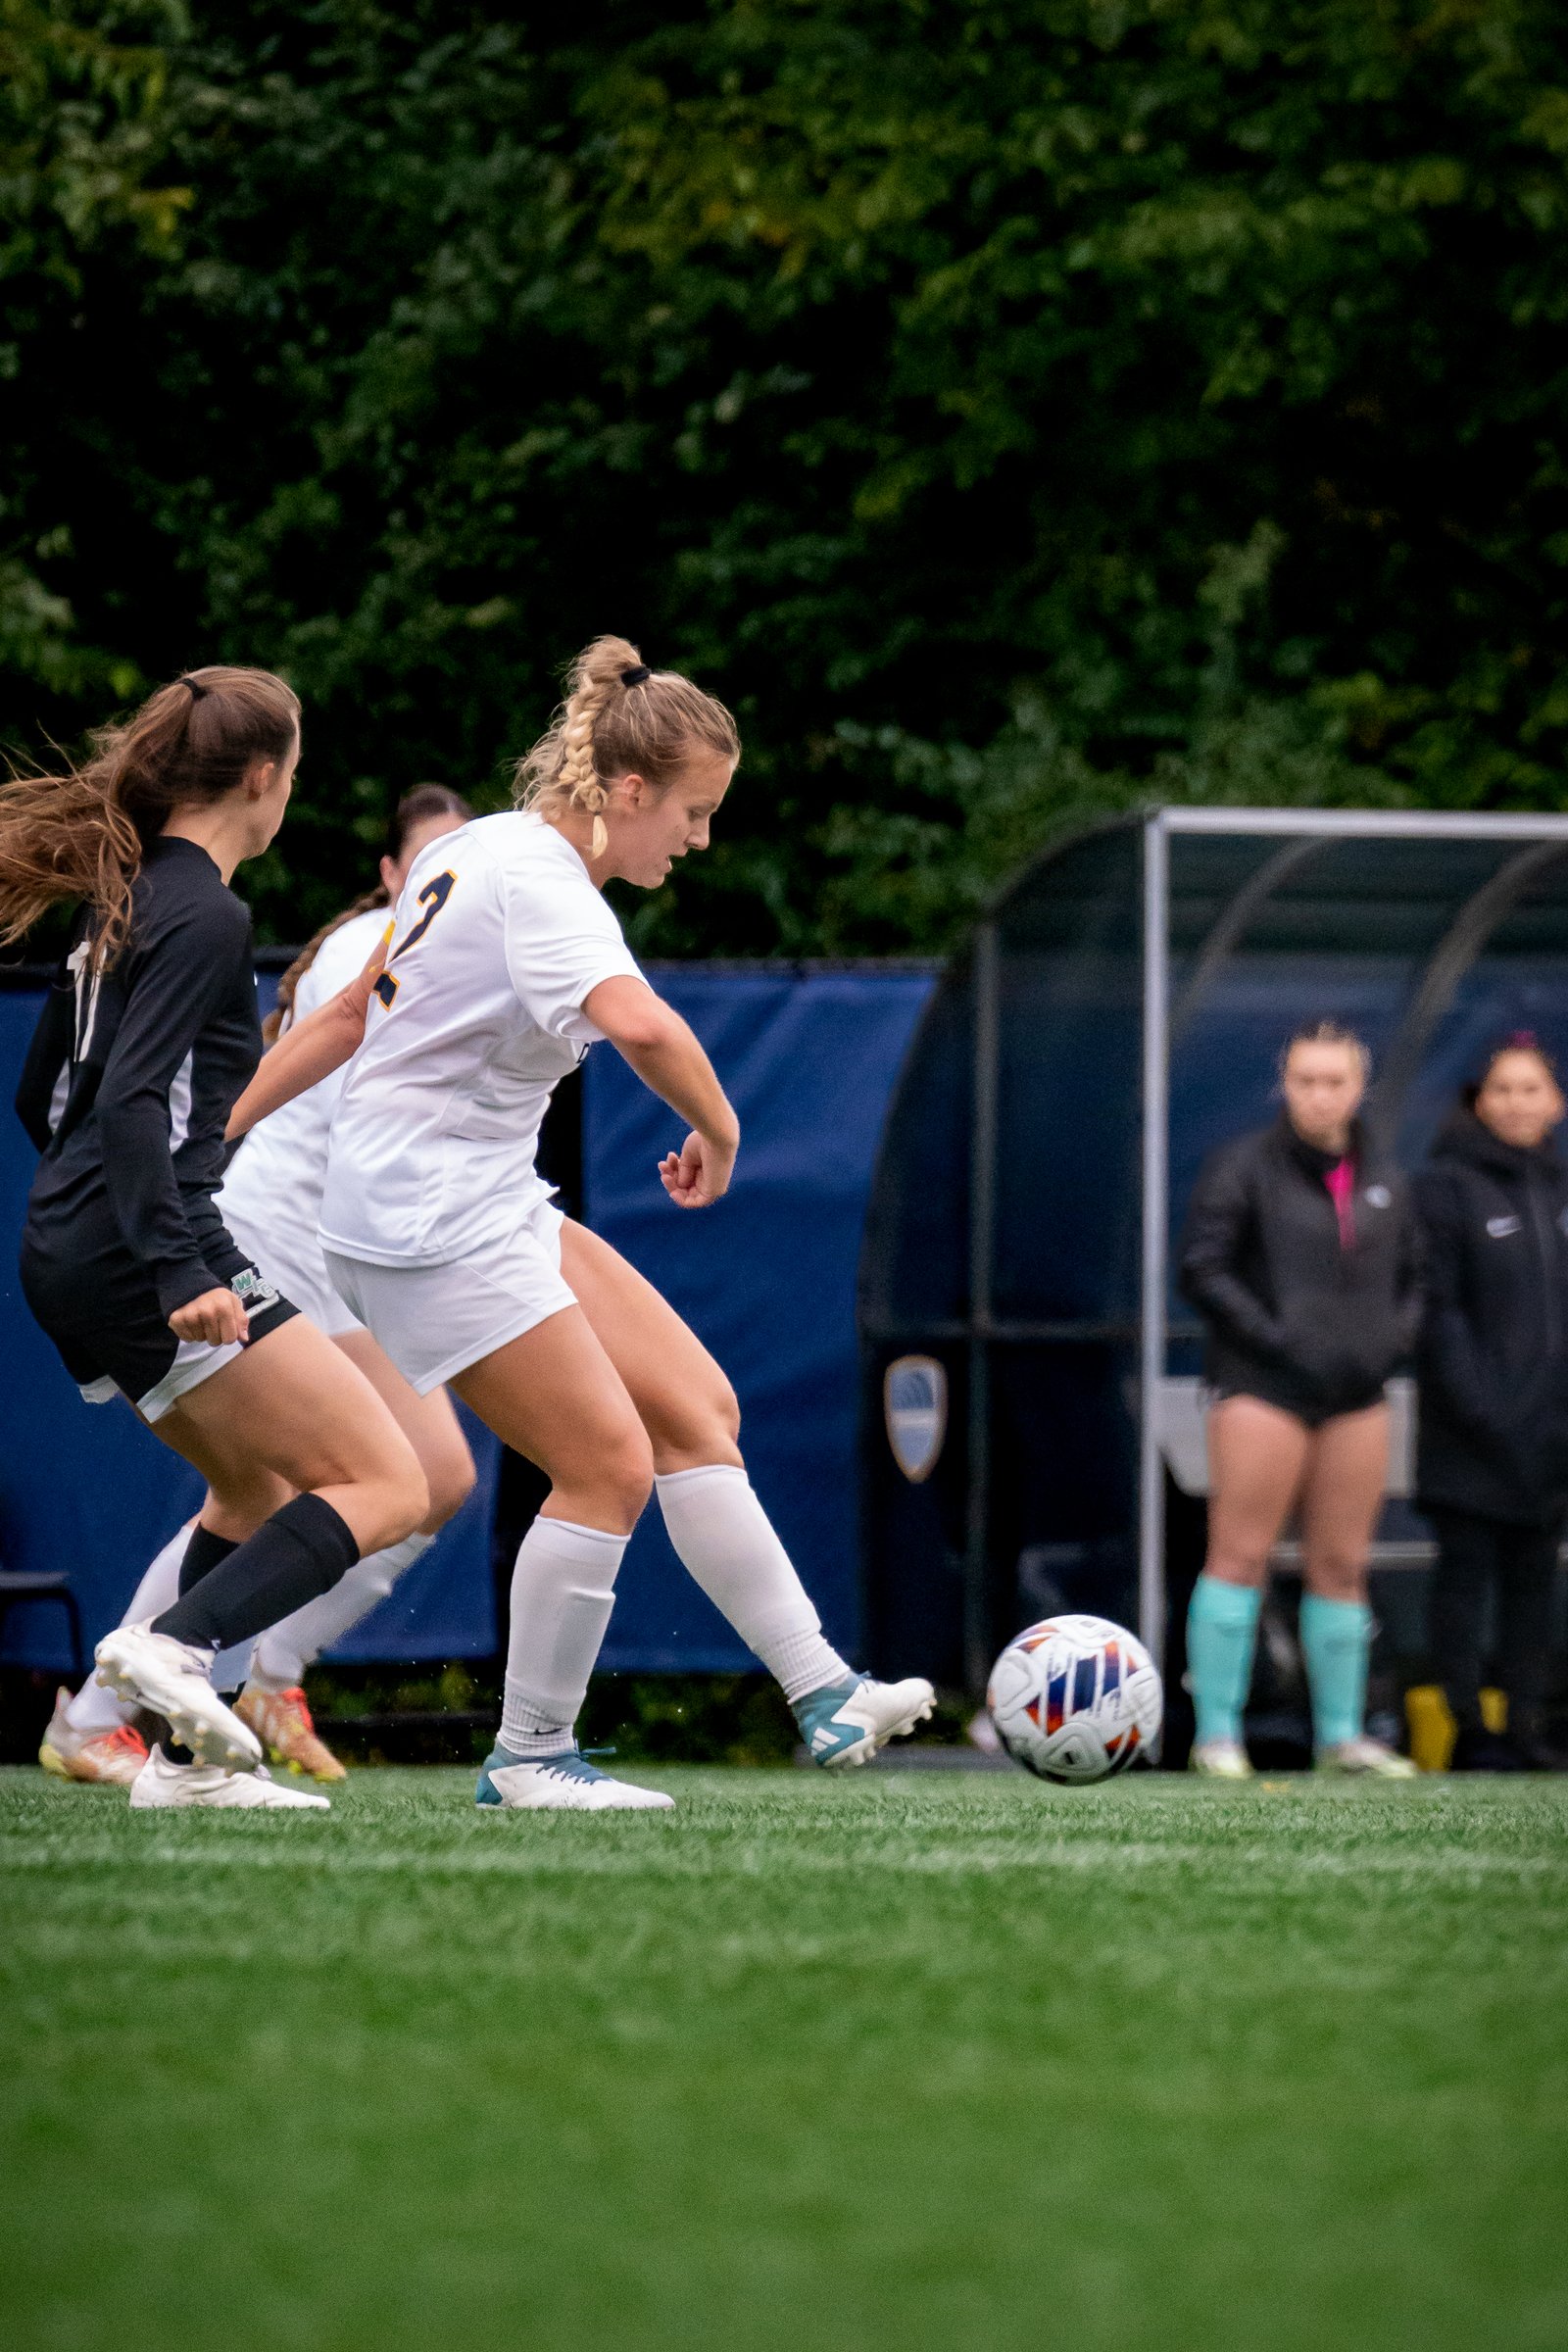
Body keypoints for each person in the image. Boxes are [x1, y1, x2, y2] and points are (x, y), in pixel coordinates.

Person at [319, 634, 935, 1811]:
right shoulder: (544, 879)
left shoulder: (482, 847)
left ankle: (824, 1693)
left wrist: (226, 1133)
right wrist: (724, 1127)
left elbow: (351, 1013)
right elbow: (641, 1027)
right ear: (630, 792)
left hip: (475, 1193)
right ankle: (531, 1755)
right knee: (604, 1466)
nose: (698, 841)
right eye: (693, 813)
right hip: (428, 1214)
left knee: (696, 1408)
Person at [6, 665, 428, 1812]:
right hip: (143, 1251)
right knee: (389, 1480)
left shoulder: (132, 895)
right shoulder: (206, 910)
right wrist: (176, 1261)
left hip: (72, 1244)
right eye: (296, 769)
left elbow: (45, 1094)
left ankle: (189, 1771)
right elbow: (136, 1102)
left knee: (258, 1490)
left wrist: (92, 1218)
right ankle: (172, 1654)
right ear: (262, 777)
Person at [1177, 1020, 1421, 1779]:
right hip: (1263, 1391)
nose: (1320, 1095)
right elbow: (1203, 1268)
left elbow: (1417, 1277)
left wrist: (1390, 1343)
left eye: (1335, 1080)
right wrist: (1276, 1339)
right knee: (1240, 1555)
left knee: (1342, 1565)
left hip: (1357, 1396)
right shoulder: (1242, 1167)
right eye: (1306, 1080)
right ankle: (1217, 1735)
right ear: (1285, 1084)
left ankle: (1341, 1738)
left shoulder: (1386, 1176)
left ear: (1361, 1087)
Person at [1414, 1036, 1568, 1770]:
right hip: (1470, 1440)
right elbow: (1438, 1312)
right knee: (1465, 1577)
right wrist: (1485, 1410)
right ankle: (1469, 1727)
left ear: (1556, 1103)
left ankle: (1527, 1725)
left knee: (1535, 1585)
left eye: (1531, 1089)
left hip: (1551, 1443)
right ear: (1480, 1102)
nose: (1516, 1102)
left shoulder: (1560, 1188)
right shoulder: (1446, 1186)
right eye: (1502, 1090)